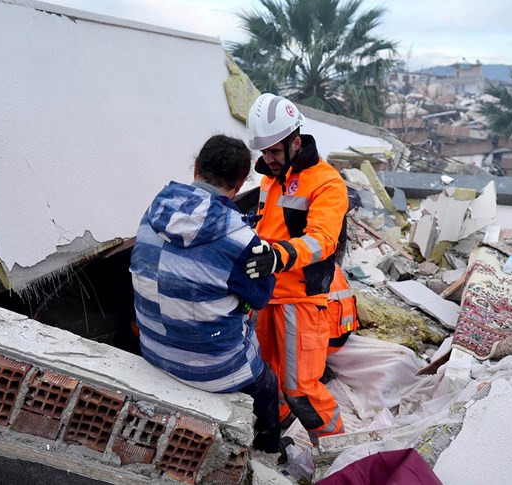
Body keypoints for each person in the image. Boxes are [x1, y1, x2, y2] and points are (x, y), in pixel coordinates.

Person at [129, 134, 280, 453]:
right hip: (213, 371)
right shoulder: (243, 241)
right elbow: (261, 298)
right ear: (240, 184)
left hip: (151, 349)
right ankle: (268, 451)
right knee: (267, 386)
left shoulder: (153, 210)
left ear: (196, 167)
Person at [244, 93, 348, 445]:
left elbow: (323, 240)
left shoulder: (327, 183)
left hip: (301, 300)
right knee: (268, 380)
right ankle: (275, 442)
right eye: (264, 152)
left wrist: (278, 256)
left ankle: (336, 454)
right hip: (267, 296)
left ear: (296, 142)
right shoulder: (269, 181)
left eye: (274, 151)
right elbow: (263, 229)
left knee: (300, 389)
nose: (268, 159)